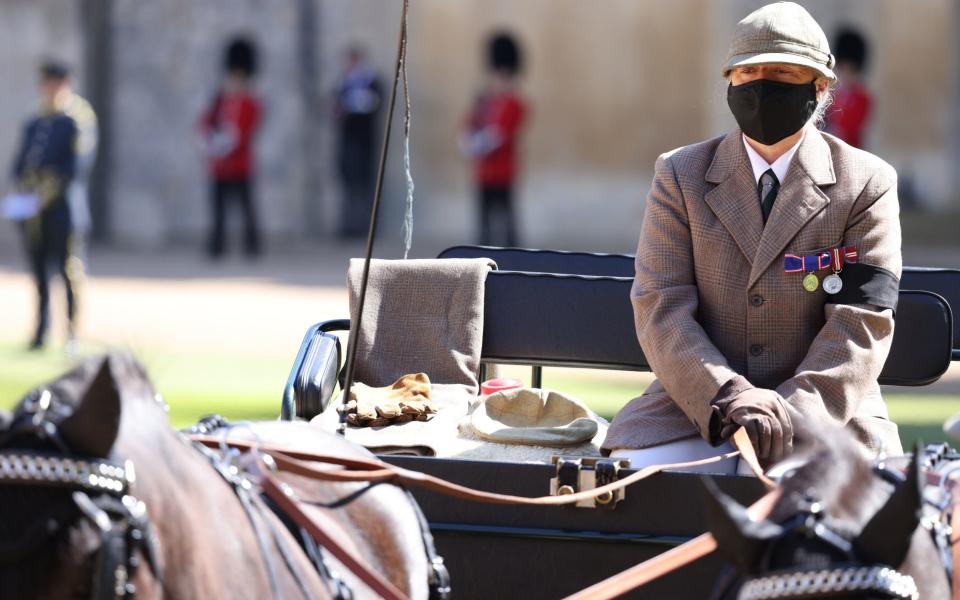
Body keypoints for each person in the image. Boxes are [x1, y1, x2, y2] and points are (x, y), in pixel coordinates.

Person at [602, 2, 902, 473]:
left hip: (827, 414)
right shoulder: (679, 175)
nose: (762, 84)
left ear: (819, 87)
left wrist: (786, 414)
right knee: (634, 484)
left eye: (782, 72)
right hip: (696, 406)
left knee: (807, 510)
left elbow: (860, 323)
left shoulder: (867, 184)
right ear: (730, 83)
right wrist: (729, 396)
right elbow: (661, 306)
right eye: (748, 73)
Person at [9, 60, 83, 350]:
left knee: (66, 271)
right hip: (33, 211)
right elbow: (21, 164)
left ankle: (71, 332)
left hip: (61, 208)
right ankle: (41, 330)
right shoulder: (35, 123)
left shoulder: (73, 123)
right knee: (38, 270)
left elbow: (73, 169)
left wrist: (44, 194)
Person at [460, 32, 528, 247]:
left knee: (506, 216)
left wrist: (477, 143)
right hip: (483, 170)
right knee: (484, 218)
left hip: (503, 169)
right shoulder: (485, 101)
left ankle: (512, 253)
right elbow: (469, 123)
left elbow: (501, 133)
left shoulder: (514, 102)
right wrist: (466, 141)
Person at [198, 37, 262, 258]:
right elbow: (206, 122)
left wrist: (228, 141)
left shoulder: (250, 101)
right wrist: (210, 141)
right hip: (219, 164)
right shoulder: (220, 100)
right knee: (218, 210)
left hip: (239, 163)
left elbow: (246, 129)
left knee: (246, 209)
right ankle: (216, 247)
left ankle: (252, 247)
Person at [333, 46, 382, 239]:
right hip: (347, 141)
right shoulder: (343, 84)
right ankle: (349, 225)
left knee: (365, 185)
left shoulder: (372, 83)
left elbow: (375, 105)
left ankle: (366, 226)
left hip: (365, 141)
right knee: (348, 184)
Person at [824, 28, 872, 148]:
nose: (845, 71)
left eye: (849, 68)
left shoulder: (862, 98)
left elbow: (850, 128)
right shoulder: (830, 92)